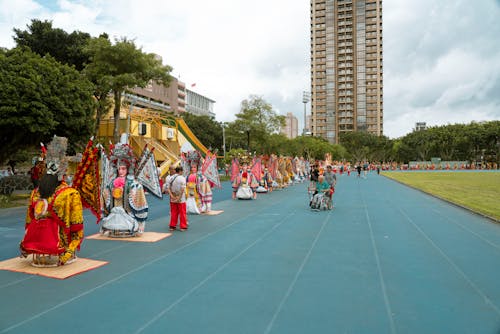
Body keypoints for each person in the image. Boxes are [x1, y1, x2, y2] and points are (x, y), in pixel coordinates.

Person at [20, 136, 84, 266]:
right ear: (64, 171)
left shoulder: (35, 193)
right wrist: (69, 251)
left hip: (32, 241)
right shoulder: (70, 194)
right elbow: (77, 227)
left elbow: (29, 221)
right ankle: (66, 252)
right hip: (57, 244)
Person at [100, 142, 148, 237]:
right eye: (119, 169)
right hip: (115, 209)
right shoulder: (111, 183)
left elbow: (138, 197)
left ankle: (135, 226)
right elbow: (105, 195)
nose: (121, 171)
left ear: (128, 169)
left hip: (128, 212)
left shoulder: (134, 184)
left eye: (123, 169)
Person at [167, 166, 188, 231]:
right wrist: (179, 197)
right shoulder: (182, 178)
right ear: (181, 171)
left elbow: (168, 188)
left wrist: (172, 196)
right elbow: (182, 189)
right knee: (182, 212)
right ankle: (183, 226)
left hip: (173, 196)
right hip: (181, 198)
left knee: (173, 212)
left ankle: (172, 226)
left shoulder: (170, 178)